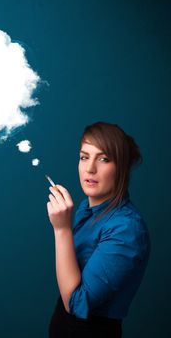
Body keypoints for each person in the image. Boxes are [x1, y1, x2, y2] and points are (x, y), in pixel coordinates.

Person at [47, 122, 151, 338]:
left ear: (121, 167)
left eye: (104, 159)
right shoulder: (86, 207)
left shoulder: (126, 229)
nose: (90, 168)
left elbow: (76, 304)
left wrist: (61, 229)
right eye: (84, 157)